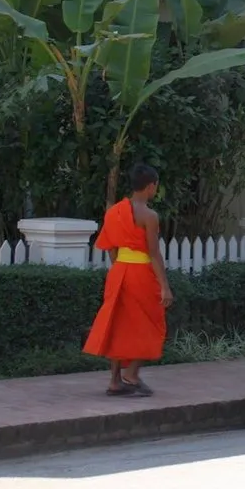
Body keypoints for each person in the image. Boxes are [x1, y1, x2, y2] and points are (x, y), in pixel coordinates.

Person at [82, 163, 173, 397]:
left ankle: (114, 380)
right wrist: (164, 285)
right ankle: (131, 374)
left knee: (118, 323)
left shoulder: (114, 212)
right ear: (151, 186)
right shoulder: (150, 216)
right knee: (150, 323)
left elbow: (110, 247)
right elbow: (153, 253)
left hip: (119, 270)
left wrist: (120, 268)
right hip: (141, 273)